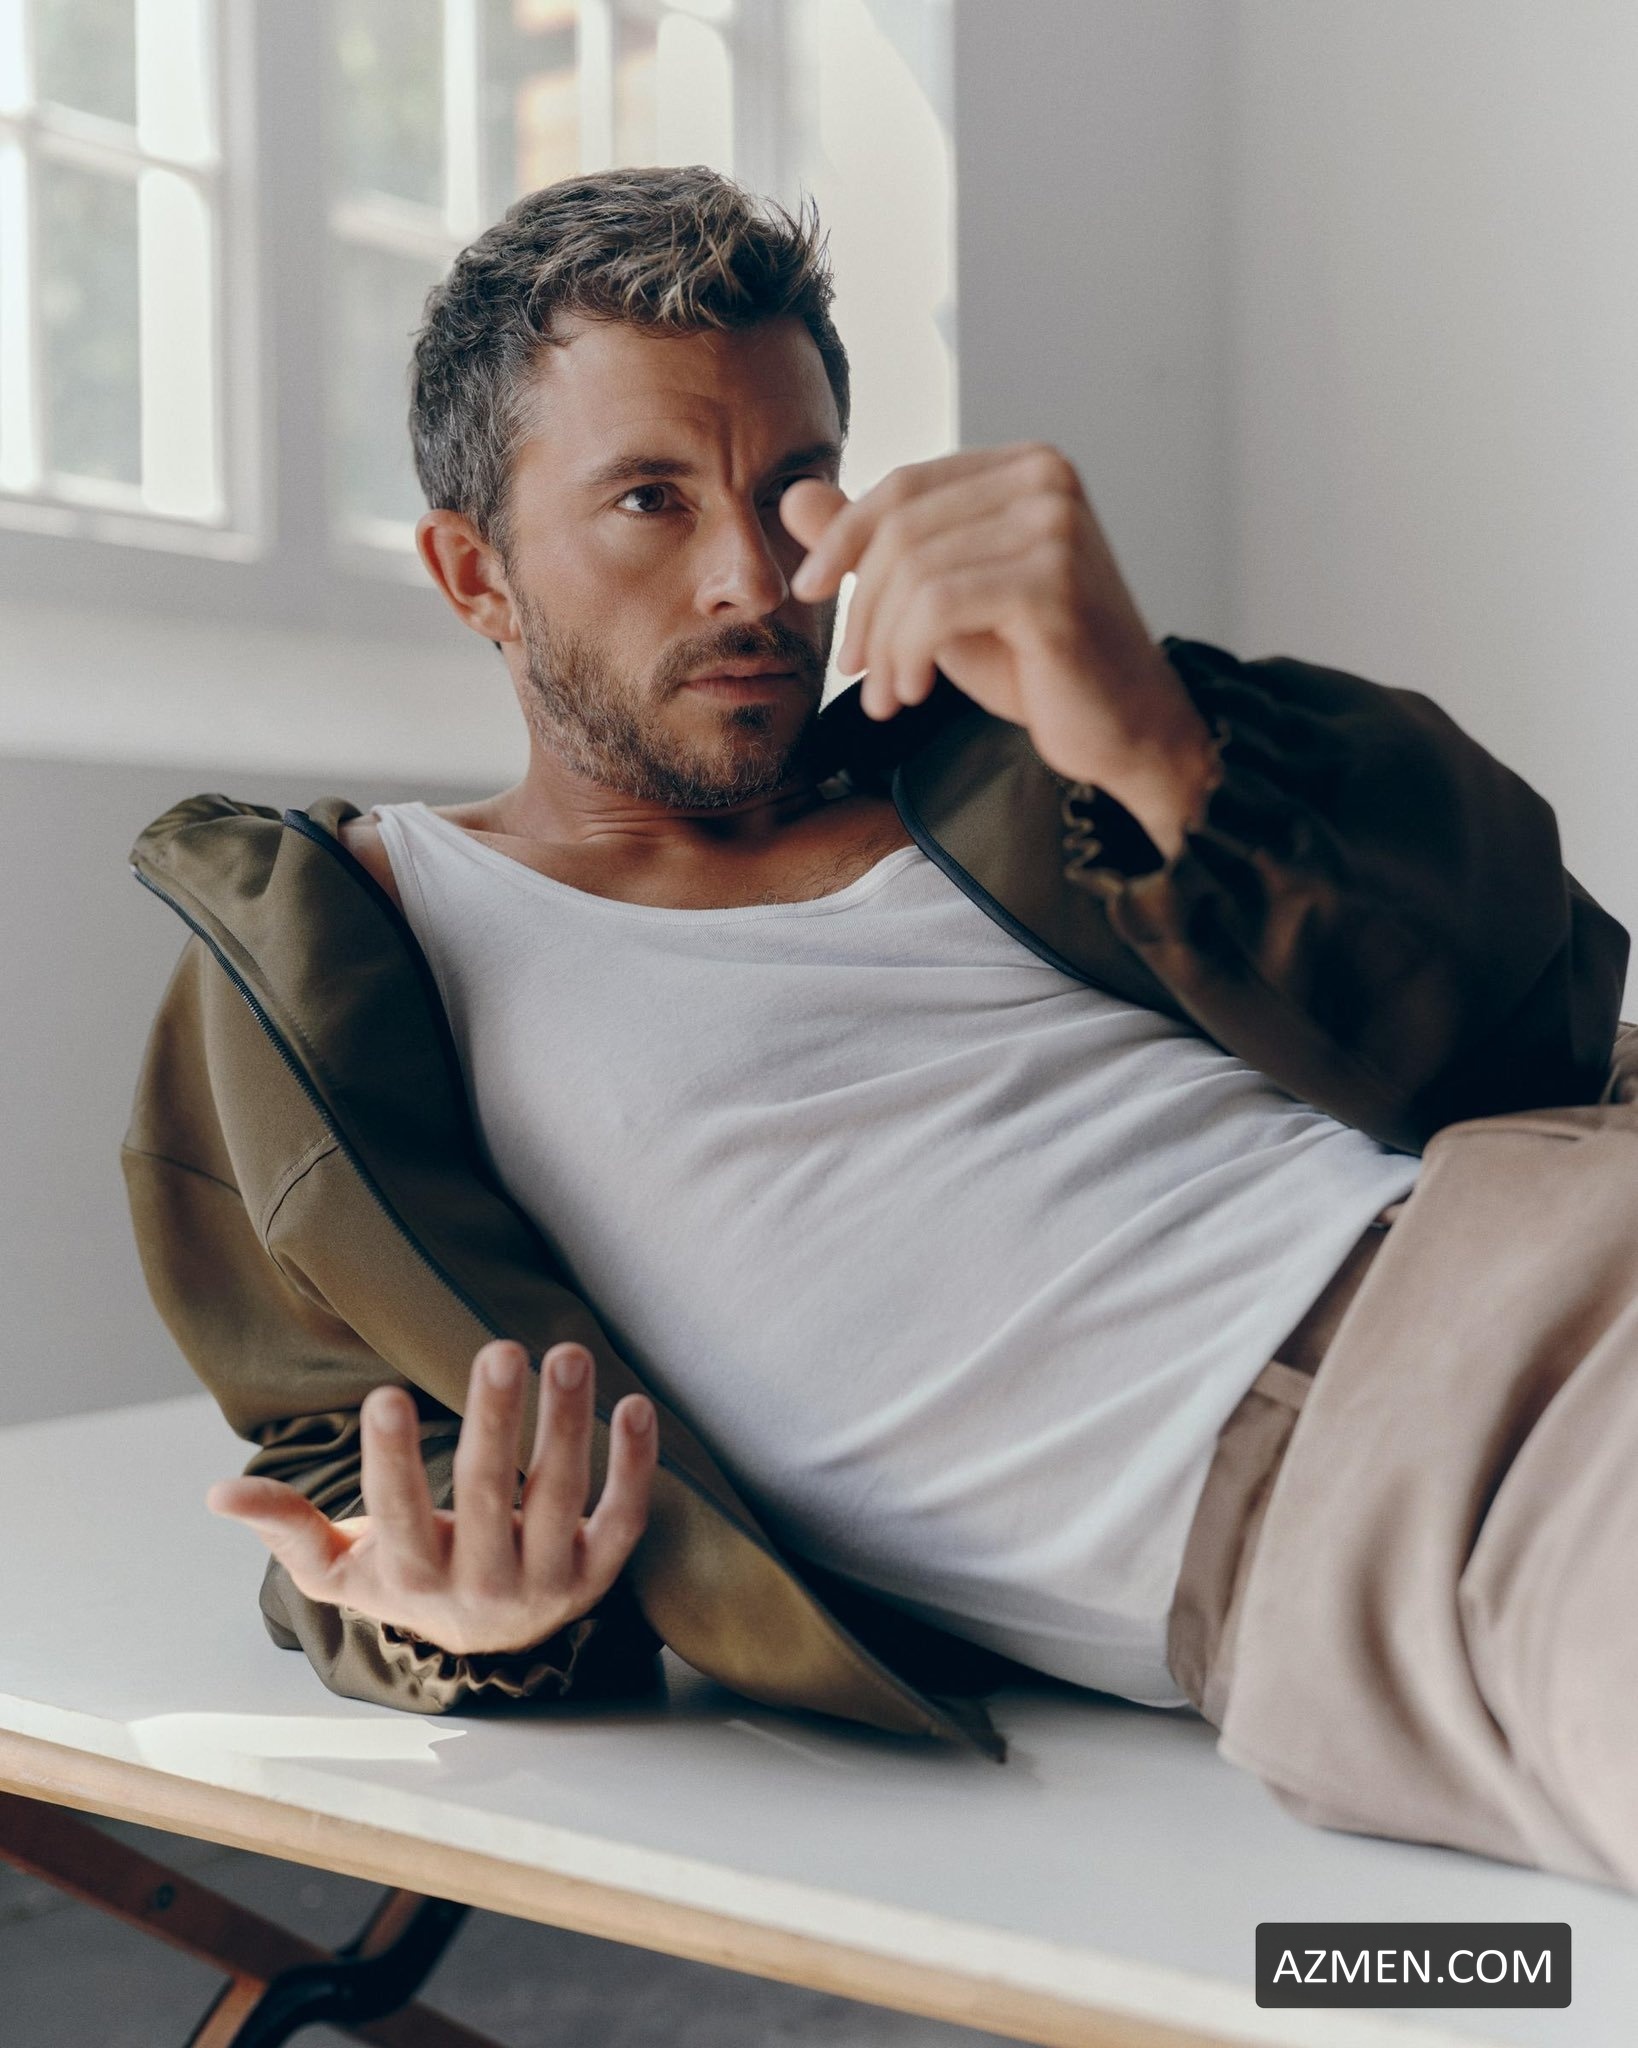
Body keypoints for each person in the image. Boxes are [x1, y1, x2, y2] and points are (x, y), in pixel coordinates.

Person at [124, 166, 1638, 1890]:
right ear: (476, 573)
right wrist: (464, 1615)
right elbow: (349, 1466)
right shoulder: (345, 950)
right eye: (648, 499)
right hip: (1388, 1503)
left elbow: (1514, 1001)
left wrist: (1154, 731)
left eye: (795, 488)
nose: (754, 579)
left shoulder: (994, 758)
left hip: (1550, 1228)